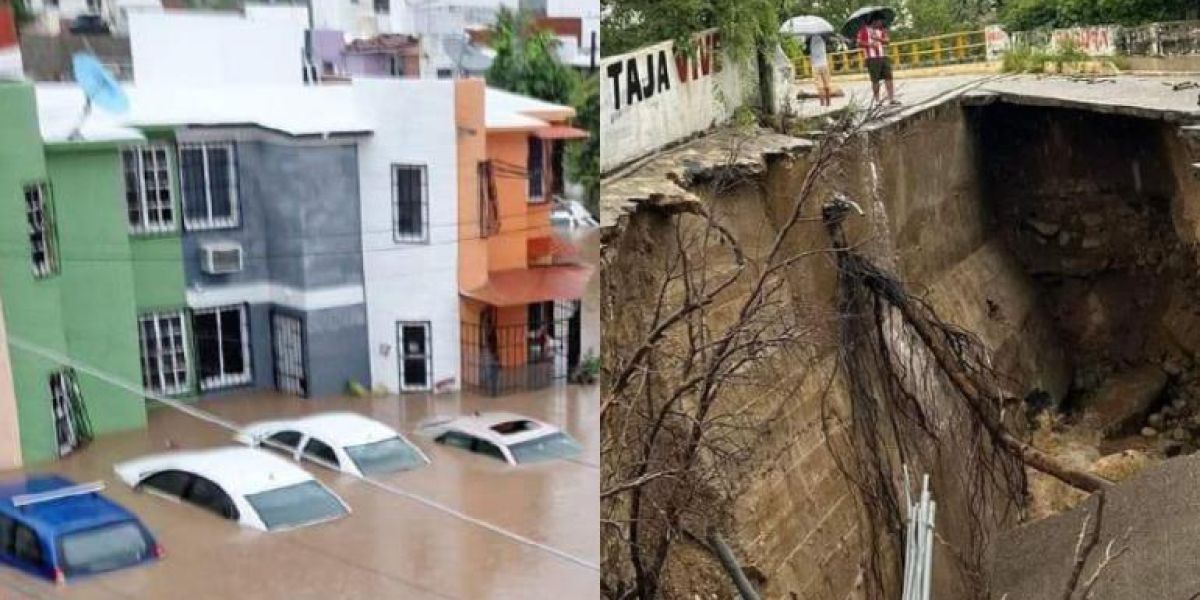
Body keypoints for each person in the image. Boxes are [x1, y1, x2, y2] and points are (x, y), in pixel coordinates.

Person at [857, 14, 898, 105]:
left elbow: (887, 41)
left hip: (883, 56)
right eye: (879, 21)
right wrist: (870, 45)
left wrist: (878, 38)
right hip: (872, 58)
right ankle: (877, 100)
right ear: (874, 21)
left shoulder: (881, 30)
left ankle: (891, 99)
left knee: (889, 77)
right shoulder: (864, 30)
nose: (881, 23)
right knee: (875, 80)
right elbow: (859, 43)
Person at [808, 34, 832, 107]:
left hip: (815, 65)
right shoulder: (824, 37)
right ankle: (828, 103)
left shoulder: (809, 39)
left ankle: (822, 104)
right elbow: (829, 46)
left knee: (819, 86)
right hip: (824, 64)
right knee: (827, 84)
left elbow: (807, 51)